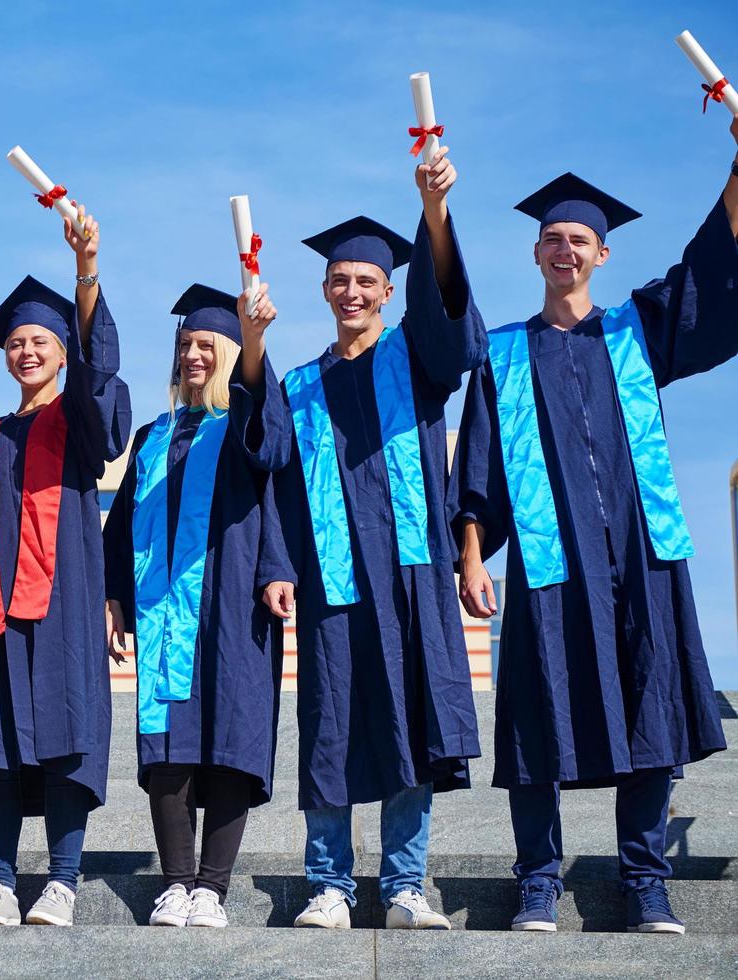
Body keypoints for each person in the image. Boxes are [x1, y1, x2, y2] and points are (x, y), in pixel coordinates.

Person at [452, 122, 738, 935]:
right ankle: (536, 882)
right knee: (538, 714)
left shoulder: (636, 332)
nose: (564, 249)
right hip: (548, 560)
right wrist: (471, 555)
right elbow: (475, 468)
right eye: (551, 239)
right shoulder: (501, 355)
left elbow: (709, 266)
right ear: (535, 255)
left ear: (602, 255)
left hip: (640, 554)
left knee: (650, 710)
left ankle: (646, 880)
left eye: (579, 238)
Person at [272, 148, 483, 931]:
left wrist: (433, 212)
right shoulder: (295, 387)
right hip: (331, 580)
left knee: (412, 722)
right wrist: (275, 565)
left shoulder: (415, 360)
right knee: (329, 727)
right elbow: (273, 488)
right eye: (339, 281)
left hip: (410, 576)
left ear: (388, 292)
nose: (351, 290)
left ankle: (402, 885)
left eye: (366, 281)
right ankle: (327, 884)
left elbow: (455, 331)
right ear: (324, 292)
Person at [0, 207, 131, 927]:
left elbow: (98, 380)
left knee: (64, 736)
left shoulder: (78, 422)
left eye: (39, 341)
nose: (23, 351)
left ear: (60, 353)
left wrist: (84, 272)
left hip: (61, 609)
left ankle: (62, 881)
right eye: (14, 342)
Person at [102, 276, 289, 929]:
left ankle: (211, 887)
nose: (191, 356)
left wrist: (257, 343)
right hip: (160, 617)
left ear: (234, 355)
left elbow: (272, 459)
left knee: (230, 740)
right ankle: (175, 884)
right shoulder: (152, 436)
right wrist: (113, 597)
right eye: (185, 344)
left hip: (233, 611)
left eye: (207, 344)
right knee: (167, 748)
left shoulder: (243, 422)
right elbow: (120, 523)